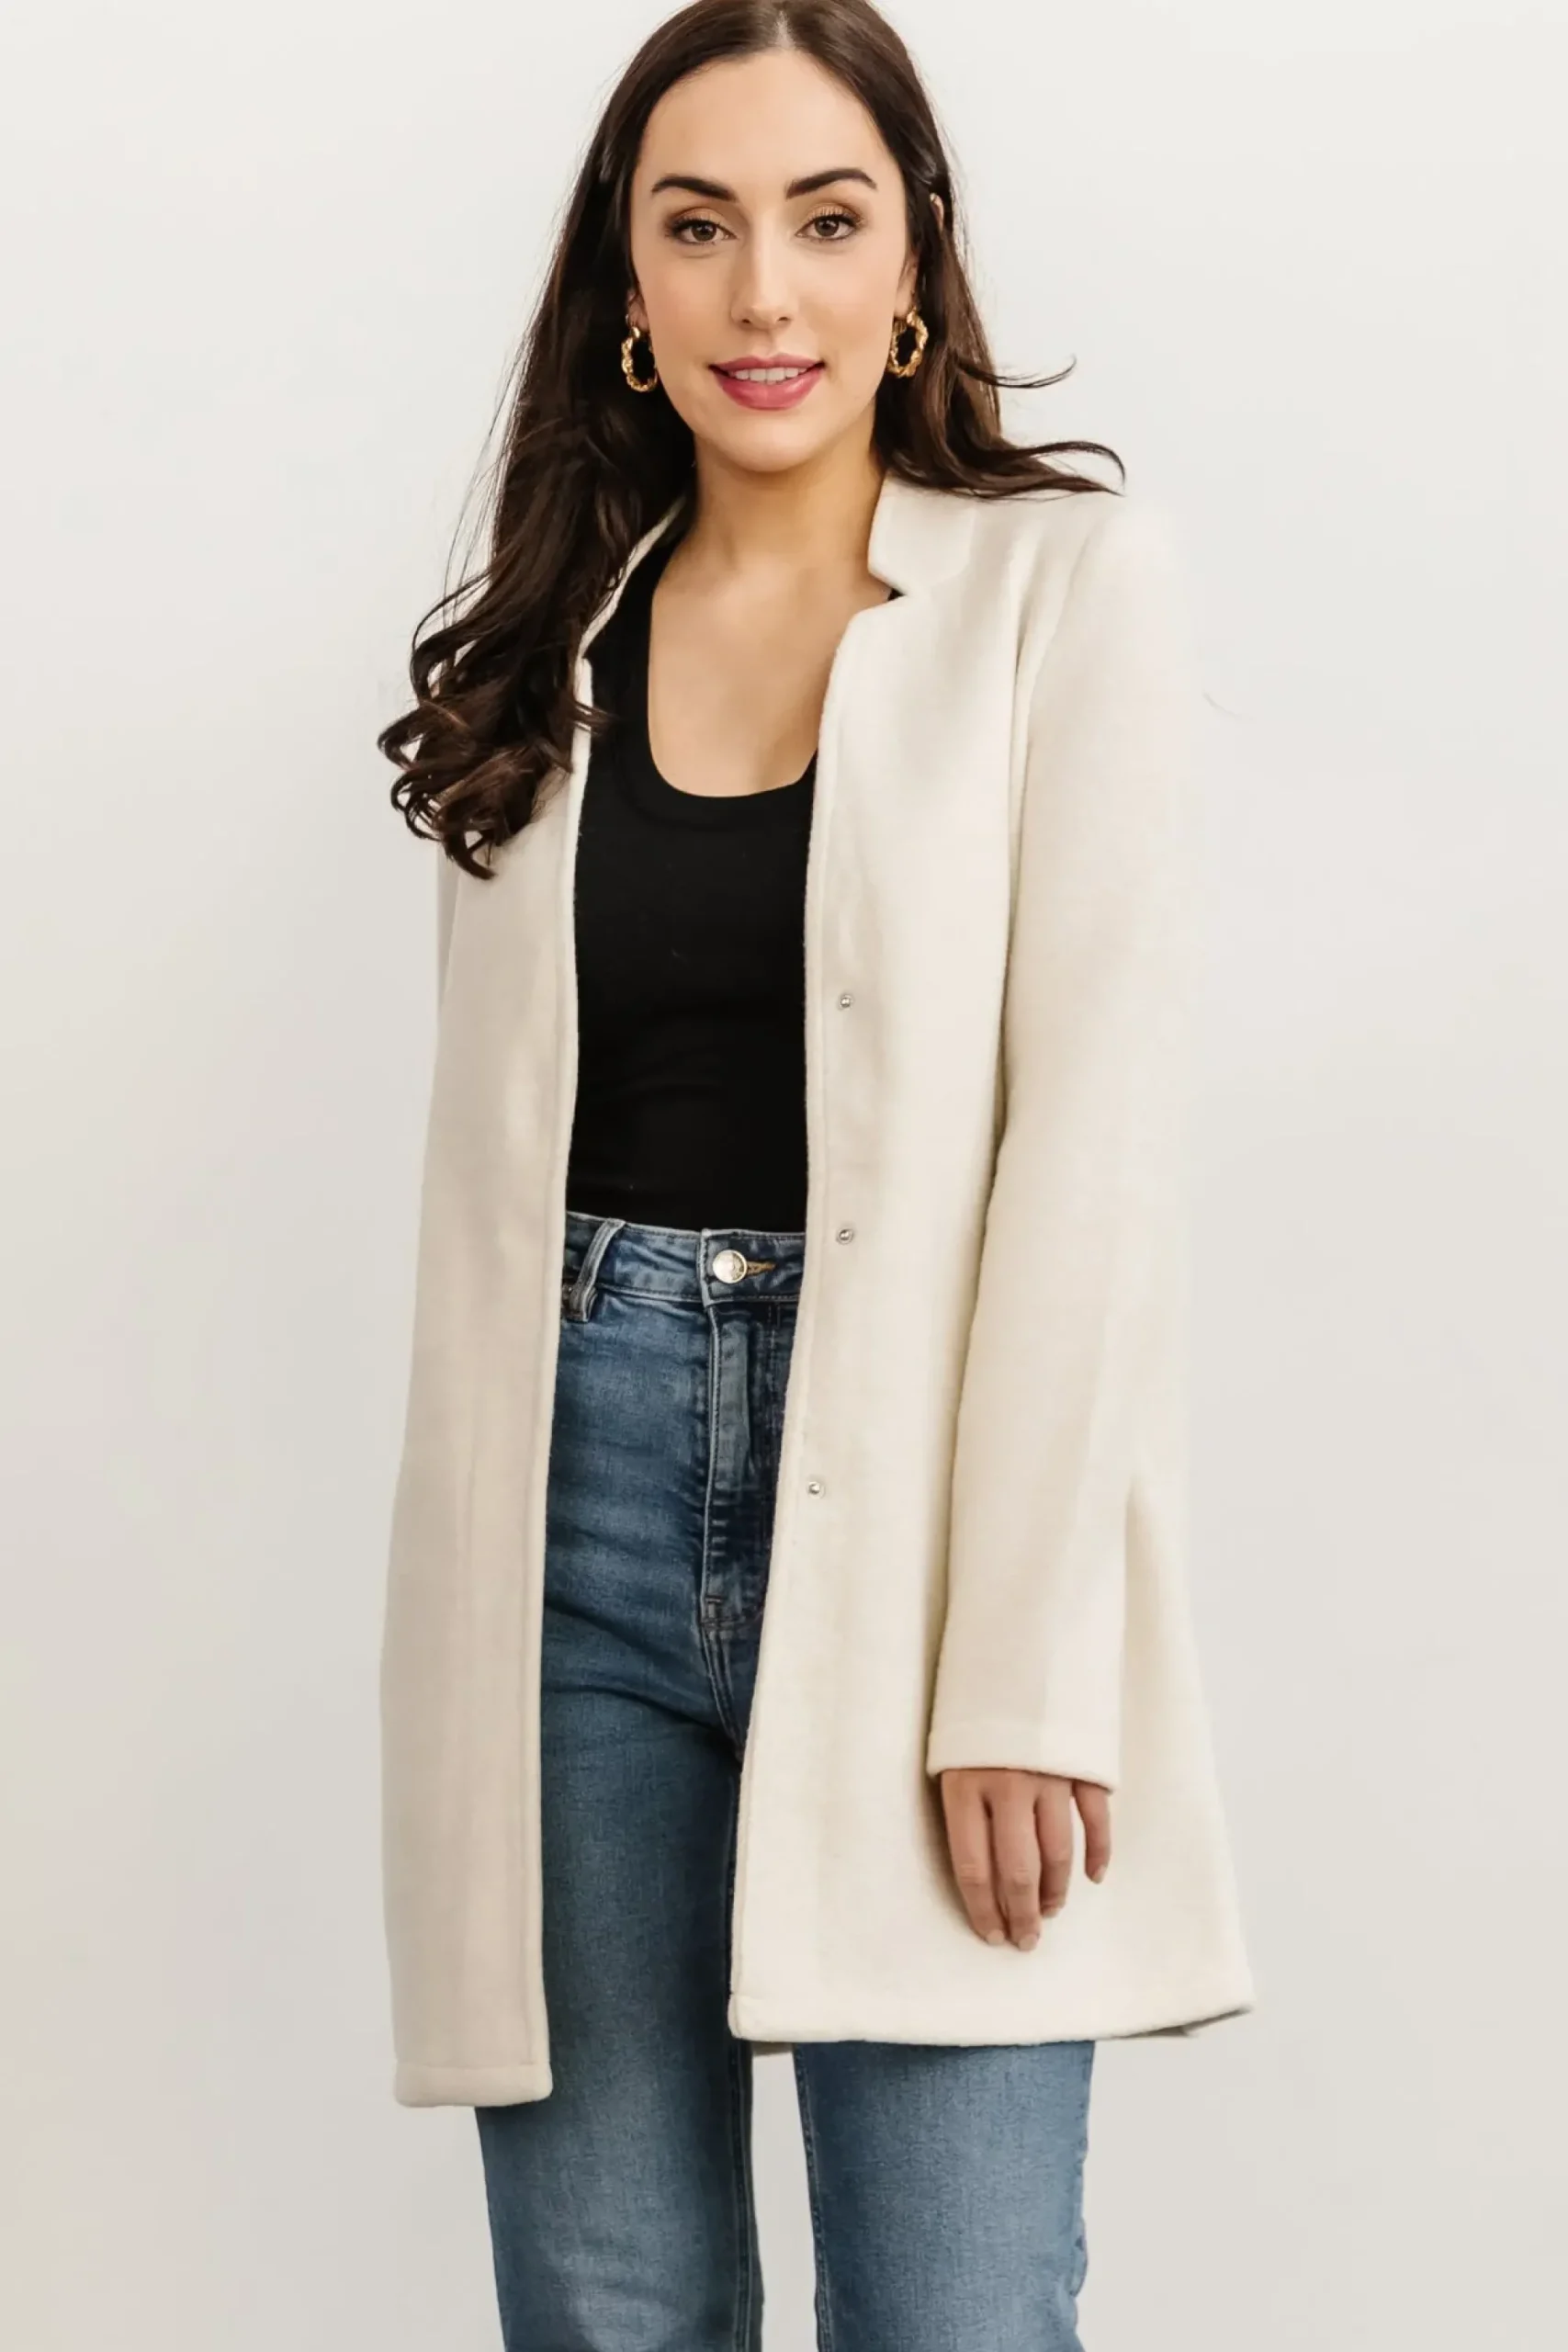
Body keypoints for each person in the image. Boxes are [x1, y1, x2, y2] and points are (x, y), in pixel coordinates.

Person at [377, 3, 1256, 2345]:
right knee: (609, 2306)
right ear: (626, 283)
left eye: (824, 219)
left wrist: (1021, 1667)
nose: (762, 290)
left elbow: (1092, 1148)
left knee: (958, 2305)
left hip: (929, 1508)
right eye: (698, 227)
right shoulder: (544, 652)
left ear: (910, 263)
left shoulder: (1062, 588)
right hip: (568, 1517)